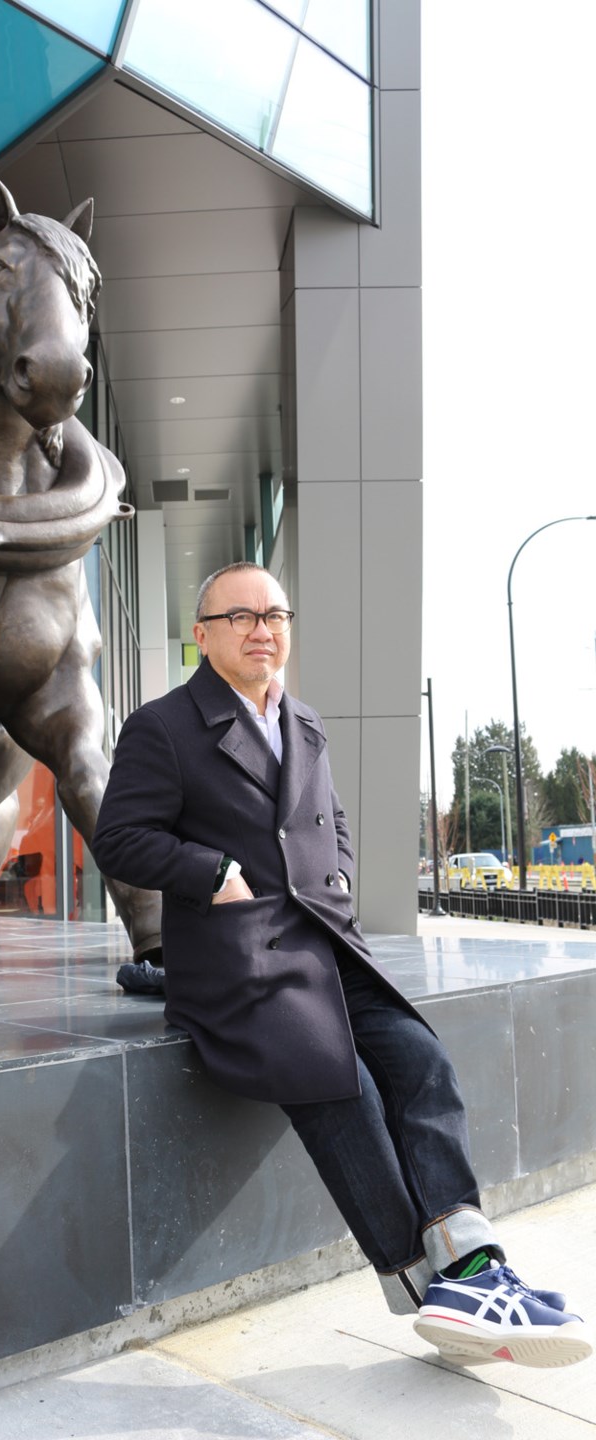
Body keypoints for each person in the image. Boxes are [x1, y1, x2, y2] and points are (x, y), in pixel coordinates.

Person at [92, 560, 591, 1369]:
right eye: (241, 617)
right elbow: (119, 837)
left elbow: (333, 829)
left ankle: (470, 1262)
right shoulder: (165, 727)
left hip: (325, 944)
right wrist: (211, 872)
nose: (263, 629)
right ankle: (429, 1285)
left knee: (422, 1061)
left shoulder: (306, 720)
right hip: (236, 963)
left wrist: (343, 884)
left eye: (275, 615)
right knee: (339, 1083)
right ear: (203, 635)